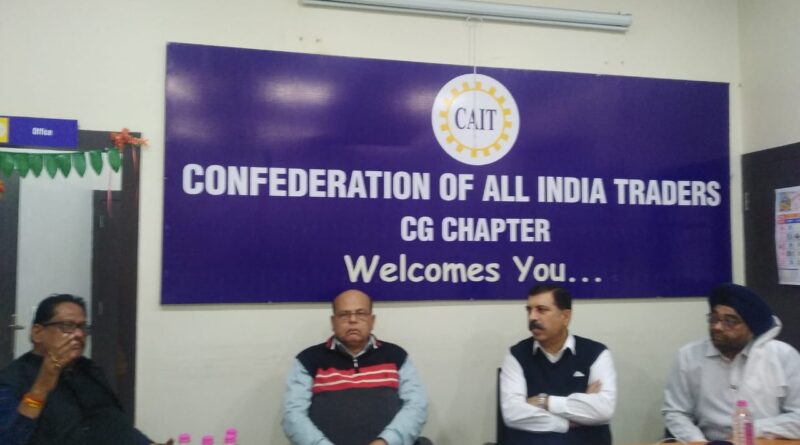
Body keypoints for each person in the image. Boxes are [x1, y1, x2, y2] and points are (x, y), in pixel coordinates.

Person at [0, 294, 171, 445]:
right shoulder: (11, 380)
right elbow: (9, 440)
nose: (79, 334)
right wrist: (40, 388)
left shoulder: (89, 370)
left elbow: (112, 421)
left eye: (82, 327)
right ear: (37, 333)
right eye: (67, 326)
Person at [282, 289, 428, 445]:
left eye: (361, 313)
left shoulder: (396, 356)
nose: (352, 320)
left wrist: (386, 441)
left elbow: (416, 406)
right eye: (344, 315)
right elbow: (293, 415)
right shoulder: (308, 360)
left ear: (372, 320)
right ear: (333, 322)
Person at [663, 283, 800, 441]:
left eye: (730, 321)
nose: (717, 327)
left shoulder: (783, 356)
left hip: (765, 441)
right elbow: (676, 412)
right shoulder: (689, 356)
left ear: (751, 327)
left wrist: (752, 429)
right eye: (714, 318)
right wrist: (697, 441)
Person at [499, 284, 617, 445]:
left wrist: (544, 401)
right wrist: (570, 421)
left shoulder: (596, 353)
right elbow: (512, 414)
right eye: (529, 310)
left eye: (541, 310)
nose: (532, 317)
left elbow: (603, 410)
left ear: (565, 316)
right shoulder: (516, 355)